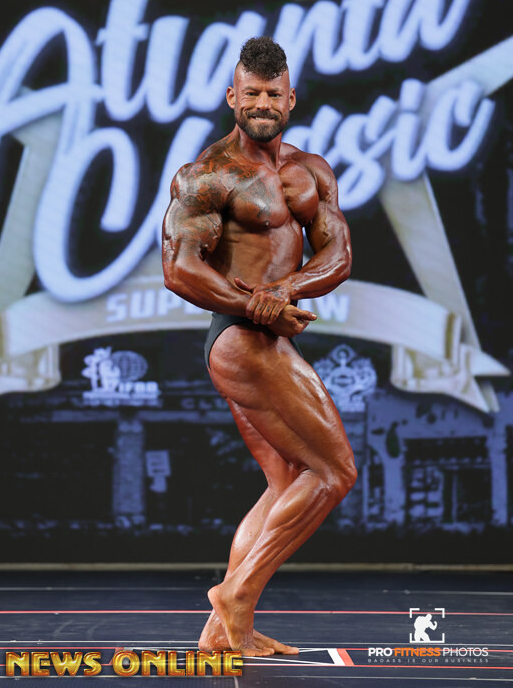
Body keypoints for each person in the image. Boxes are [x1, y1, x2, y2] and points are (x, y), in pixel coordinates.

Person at [162, 36, 357, 657]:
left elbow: (338, 254)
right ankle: (237, 596)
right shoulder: (210, 173)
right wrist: (255, 305)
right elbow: (178, 269)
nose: (262, 105)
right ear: (232, 97)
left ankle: (223, 633)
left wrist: (287, 288)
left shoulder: (311, 171)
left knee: (287, 479)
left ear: (290, 98)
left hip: (261, 335)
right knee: (334, 472)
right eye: (252, 95)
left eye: (273, 95)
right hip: (241, 339)